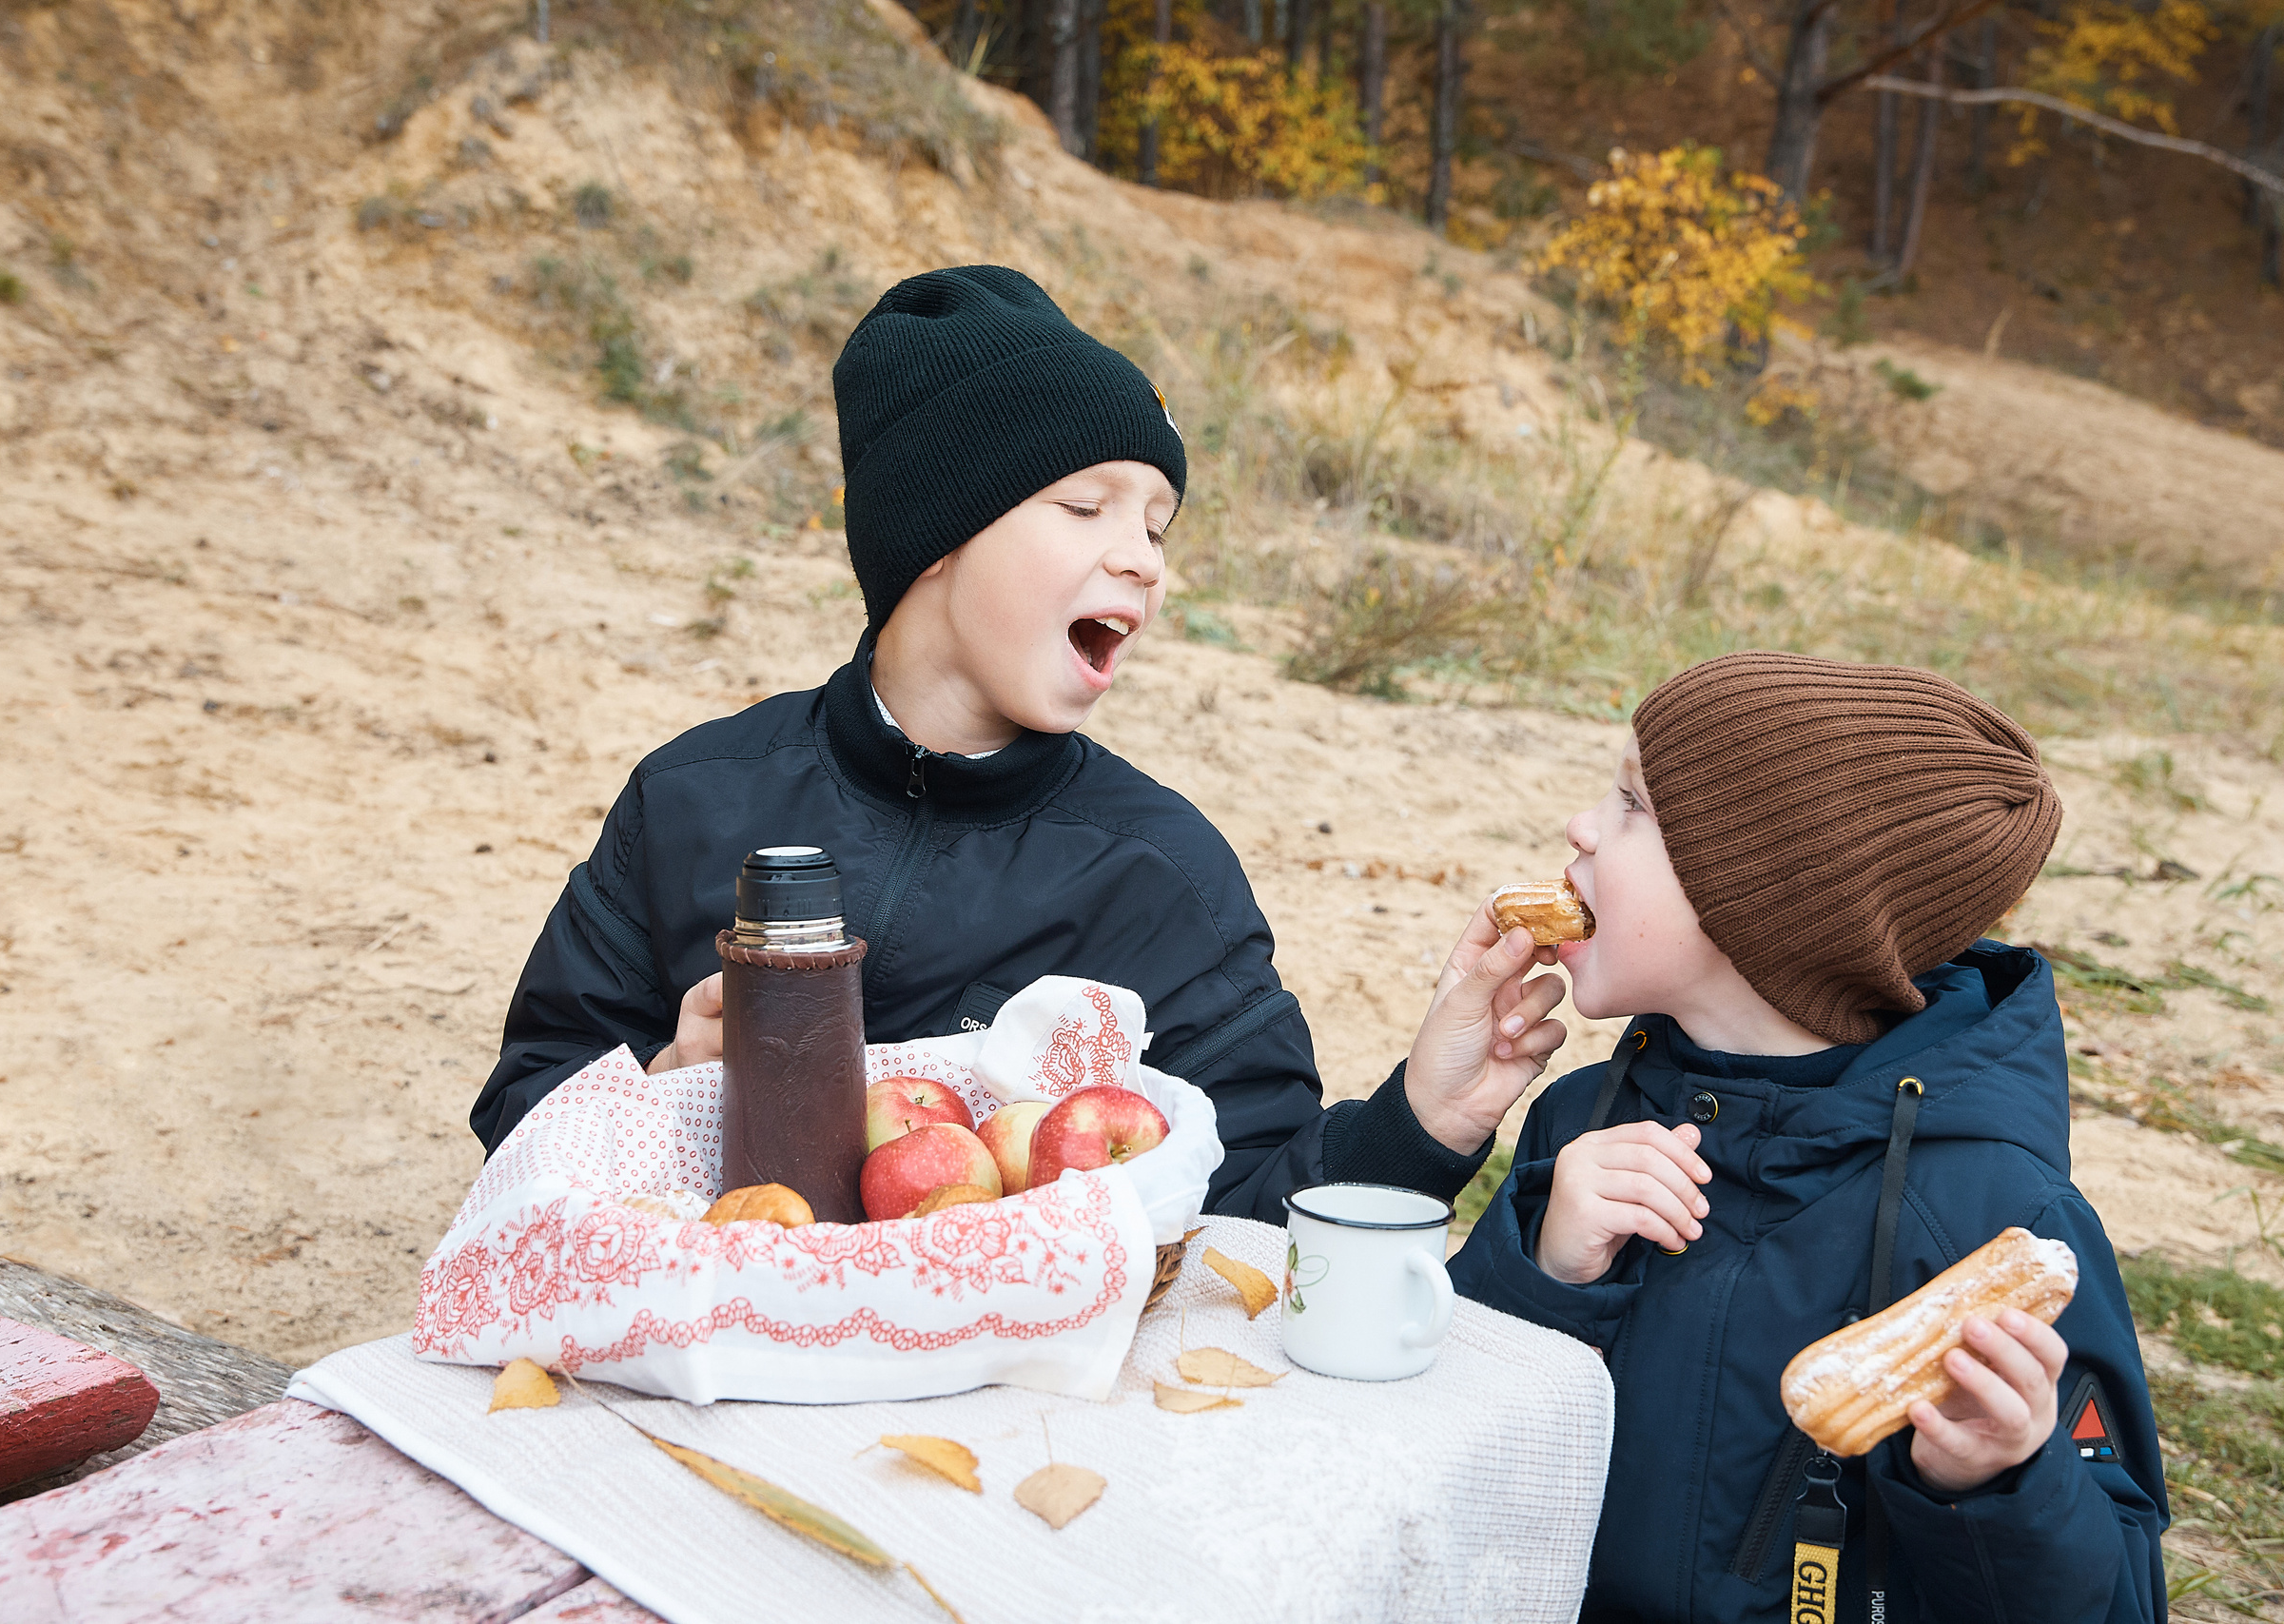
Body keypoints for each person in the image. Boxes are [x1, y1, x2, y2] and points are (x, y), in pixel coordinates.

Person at [470, 264, 1564, 1220]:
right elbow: (527, 1103)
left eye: (1156, 524)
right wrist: (669, 1087)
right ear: (935, 537)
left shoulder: (1159, 874)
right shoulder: (697, 798)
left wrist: (1426, 1117)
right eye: (1086, 505)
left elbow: (1255, 1206)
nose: (1141, 558)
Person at [1405, 651, 2168, 1623]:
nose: (1582, 827)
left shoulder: (2001, 1224)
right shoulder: (1587, 1116)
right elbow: (1444, 1443)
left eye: (1633, 805)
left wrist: (2001, 1481)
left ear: (1765, 898)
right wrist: (1543, 1274)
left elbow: (2116, 1600)